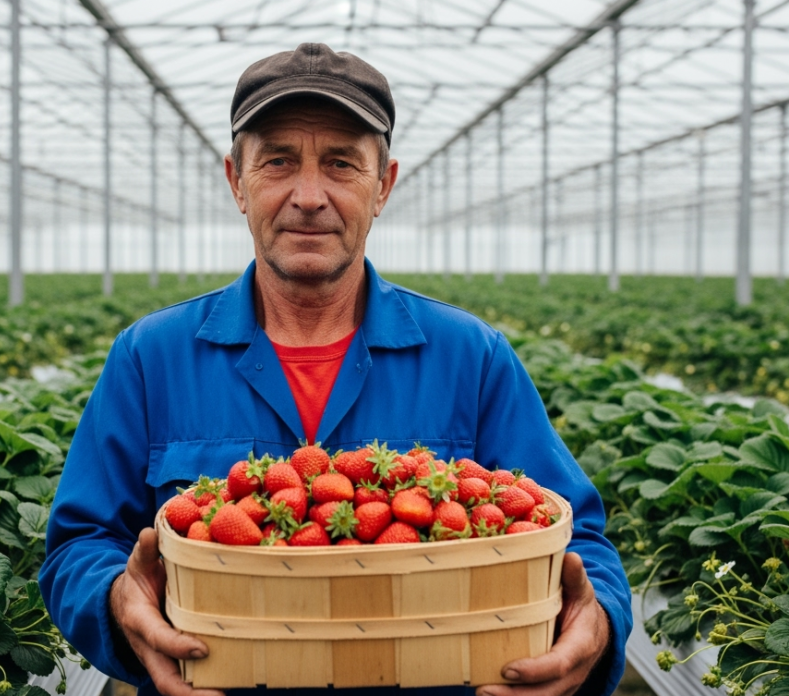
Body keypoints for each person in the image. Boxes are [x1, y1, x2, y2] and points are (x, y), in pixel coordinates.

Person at [39, 43, 631, 696]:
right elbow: (79, 544)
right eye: (279, 161)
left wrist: (595, 623)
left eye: (342, 163)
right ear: (238, 181)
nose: (310, 196)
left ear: (384, 185)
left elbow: (579, 542)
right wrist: (117, 600)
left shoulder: (473, 358)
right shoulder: (151, 359)